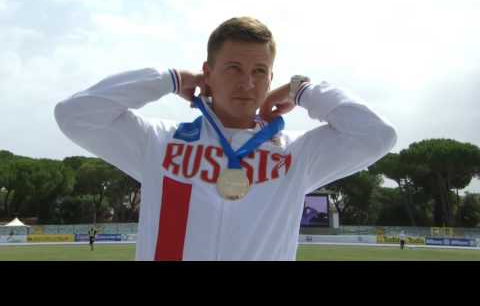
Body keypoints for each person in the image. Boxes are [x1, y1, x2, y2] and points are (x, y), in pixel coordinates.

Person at [55, 16, 397, 261]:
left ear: (270, 78)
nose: (247, 83)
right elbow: (74, 115)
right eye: (233, 67)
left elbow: (377, 136)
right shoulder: (159, 143)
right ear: (208, 73)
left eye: (259, 71)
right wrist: (168, 79)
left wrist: (304, 91)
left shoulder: (297, 153)